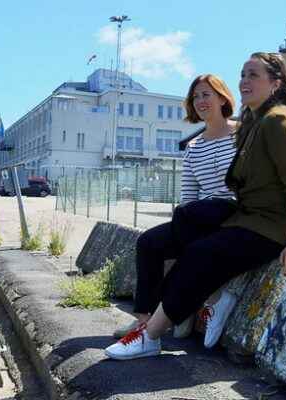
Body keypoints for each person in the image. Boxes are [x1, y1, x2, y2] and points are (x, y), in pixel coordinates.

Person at [105, 52, 286, 360]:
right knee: (182, 246)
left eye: (253, 75)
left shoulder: (278, 122)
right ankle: (165, 319)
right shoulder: (254, 124)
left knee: (200, 253)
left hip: (275, 226)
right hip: (250, 220)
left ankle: (151, 335)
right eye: (242, 74)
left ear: (276, 83)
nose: (244, 81)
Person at [112, 74, 239, 348]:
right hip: (200, 215)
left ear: (222, 97)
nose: (201, 101)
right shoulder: (194, 147)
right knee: (149, 242)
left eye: (207, 94)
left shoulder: (242, 136)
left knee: (195, 223)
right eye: (196, 97)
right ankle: (145, 319)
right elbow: (188, 197)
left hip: (234, 211)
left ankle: (176, 309)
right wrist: (186, 216)